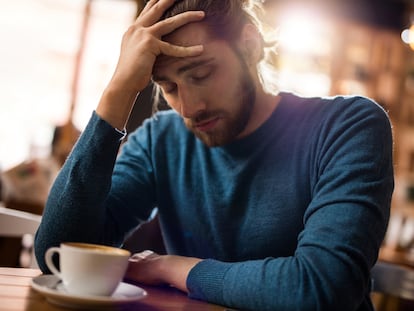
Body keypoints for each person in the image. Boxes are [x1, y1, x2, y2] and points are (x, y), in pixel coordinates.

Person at [34, 0, 394, 310]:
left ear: (250, 46)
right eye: (169, 87)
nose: (188, 108)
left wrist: (169, 268)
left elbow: (322, 288)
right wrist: (118, 90)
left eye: (202, 74)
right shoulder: (160, 141)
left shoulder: (348, 126)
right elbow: (60, 256)